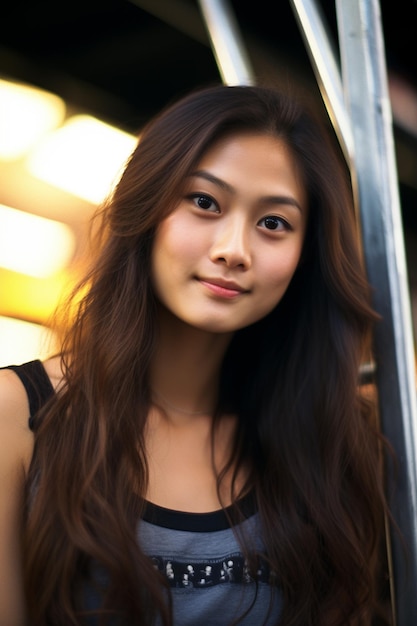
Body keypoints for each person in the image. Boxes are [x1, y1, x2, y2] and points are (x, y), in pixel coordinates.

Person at [0, 83, 392, 626]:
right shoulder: (18, 415)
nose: (233, 249)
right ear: (147, 207)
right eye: (204, 202)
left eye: (273, 223)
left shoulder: (329, 442)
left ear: (307, 257)